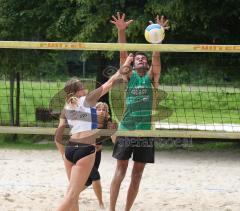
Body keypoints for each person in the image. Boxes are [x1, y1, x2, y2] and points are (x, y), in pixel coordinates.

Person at [109, 12, 170, 211]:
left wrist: (157, 40)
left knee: (137, 175)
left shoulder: (152, 78)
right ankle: (111, 209)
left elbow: (156, 57)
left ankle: (126, 210)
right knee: (121, 170)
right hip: (127, 129)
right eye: (138, 59)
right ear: (133, 65)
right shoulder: (129, 77)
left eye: (144, 59)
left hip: (145, 132)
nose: (142, 60)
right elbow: (122, 54)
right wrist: (121, 31)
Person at [54, 61, 129, 211]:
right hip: (85, 149)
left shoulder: (67, 107)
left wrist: (62, 154)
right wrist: (125, 65)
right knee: (71, 196)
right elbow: (110, 83)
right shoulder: (87, 100)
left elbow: (58, 134)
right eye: (81, 85)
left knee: (73, 195)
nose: (84, 86)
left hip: (70, 149)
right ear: (78, 91)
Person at [85, 102, 112, 209]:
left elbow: (114, 140)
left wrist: (112, 128)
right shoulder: (89, 121)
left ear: (107, 113)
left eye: (104, 110)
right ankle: (101, 204)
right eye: (99, 109)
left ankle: (72, 194)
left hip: (97, 153)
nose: (101, 111)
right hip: (85, 152)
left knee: (89, 180)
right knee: (96, 176)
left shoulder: (107, 123)